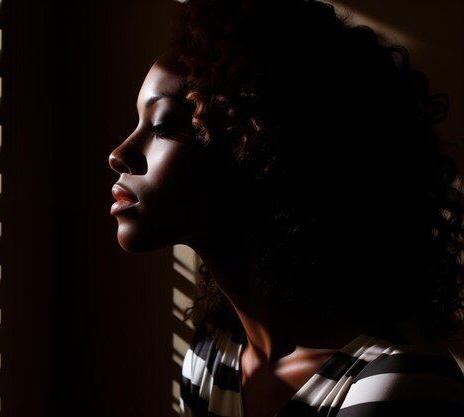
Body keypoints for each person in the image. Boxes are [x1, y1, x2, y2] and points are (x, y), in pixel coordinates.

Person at [108, 0, 464, 416]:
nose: (120, 154)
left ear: (261, 150)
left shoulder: (397, 387)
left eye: (164, 124)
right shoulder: (213, 359)